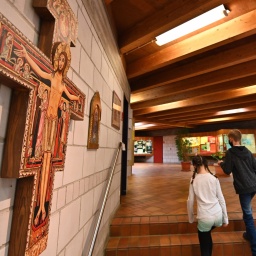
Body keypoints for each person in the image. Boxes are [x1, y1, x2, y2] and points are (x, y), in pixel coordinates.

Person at [14, 42, 80, 227]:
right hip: (44, 123)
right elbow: (38, 71)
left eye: (63, 60)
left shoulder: (62, 84)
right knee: (43, 164)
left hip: (54, 126)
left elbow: (71, 96)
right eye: (58, 59)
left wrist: (78, 99)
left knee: (48, 164)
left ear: (65, 64)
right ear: (56, 61)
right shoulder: (50, 78)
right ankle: (41, 205)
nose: (60, 62)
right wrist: (26, 56)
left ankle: (42, 205)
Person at [218, 129, 256, 256]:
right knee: (247, 210)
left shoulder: (230, 153)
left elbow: (228, 170)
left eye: (229, 139)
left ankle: (254, 247)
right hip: (253, 185)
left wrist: (221, 163)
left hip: (244, 187)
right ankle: (249, 234)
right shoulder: (247, 151)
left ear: (231, 139)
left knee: (248, 215)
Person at [187, 155, 228, 256]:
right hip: (218, 216)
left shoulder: (194, 180)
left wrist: (191, 218)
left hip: (205, 217)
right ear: (206, 164)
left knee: (204, 242)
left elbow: (190, 201)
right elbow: (221, 199)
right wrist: (225, 218)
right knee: (207, 233)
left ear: (194, 165)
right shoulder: (214, 178)